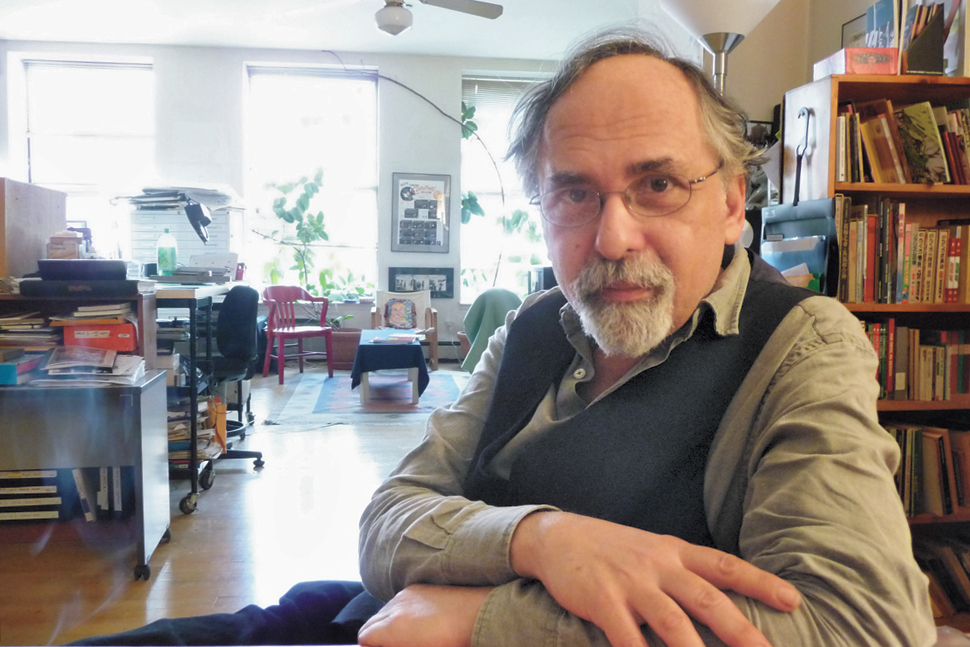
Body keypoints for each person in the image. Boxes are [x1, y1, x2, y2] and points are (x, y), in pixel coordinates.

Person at [73, 28, 936, 647]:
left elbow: (860, 625)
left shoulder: (800, 346)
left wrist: (483, 623)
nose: (612, 237)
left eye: (659, 184)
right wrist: (542, 537)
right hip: (357, 616)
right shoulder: (535, 329)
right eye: (574, 194)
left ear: (729, 198)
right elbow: (386, 522)